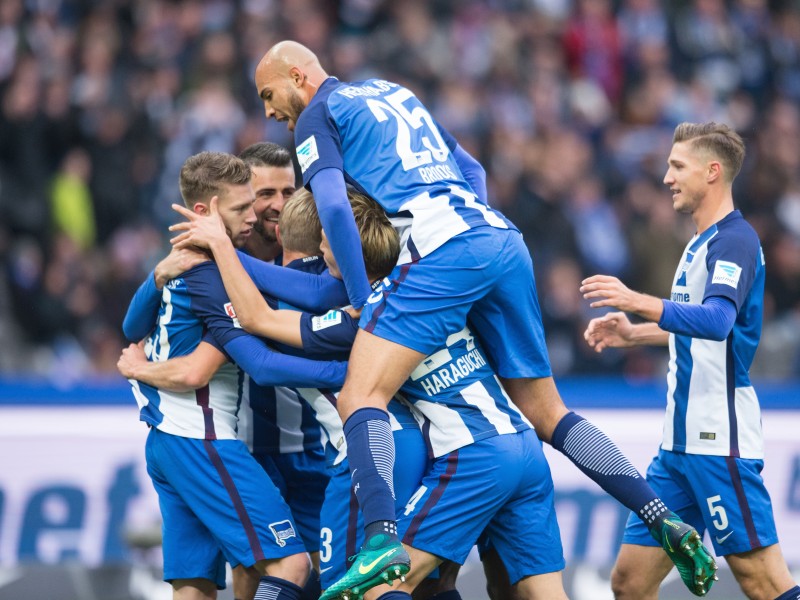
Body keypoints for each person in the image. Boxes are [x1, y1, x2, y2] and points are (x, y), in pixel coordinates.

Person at [250, 40, 716, 598]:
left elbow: (329, 203)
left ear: (299, 76)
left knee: (360, 396)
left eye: (270, 95)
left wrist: (362, 295)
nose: (270, 111)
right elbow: (470, 165)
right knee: (547, 412)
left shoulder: (320, 114)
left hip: (440, 254)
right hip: (497, 236)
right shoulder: (395, 93)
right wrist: (470, 237)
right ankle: (658, 513)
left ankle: (378, 541)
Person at [171, 188, 564, 600]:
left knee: (363, 587)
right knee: (438, 583)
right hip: (462, 442)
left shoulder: (345, 306)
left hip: (383, 448)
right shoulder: (413, 291)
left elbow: (262, 345)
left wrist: (212, 257)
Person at [582, 122, 800, 600]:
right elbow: (698, 330)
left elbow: (719, 321)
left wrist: (638, 301)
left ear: (713, 172)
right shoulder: (699, 243)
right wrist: (633, 333)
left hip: (718, 442)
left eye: (678, 166)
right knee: (629, 582)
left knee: (763, 582)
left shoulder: (735, 241)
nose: (667, 178)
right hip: (676, 449)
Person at [120, 151, 347, 600]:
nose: (268, 209)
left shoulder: (189, 261)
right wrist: (344, 370)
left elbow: (131, 328)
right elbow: (199, 369)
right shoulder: (217, 274)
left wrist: (158, 278)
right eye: (250, 203)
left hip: (173, 438)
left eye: (288, 193)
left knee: (194, 585)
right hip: (206, 438)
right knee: (290, 563)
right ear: (206, 213)